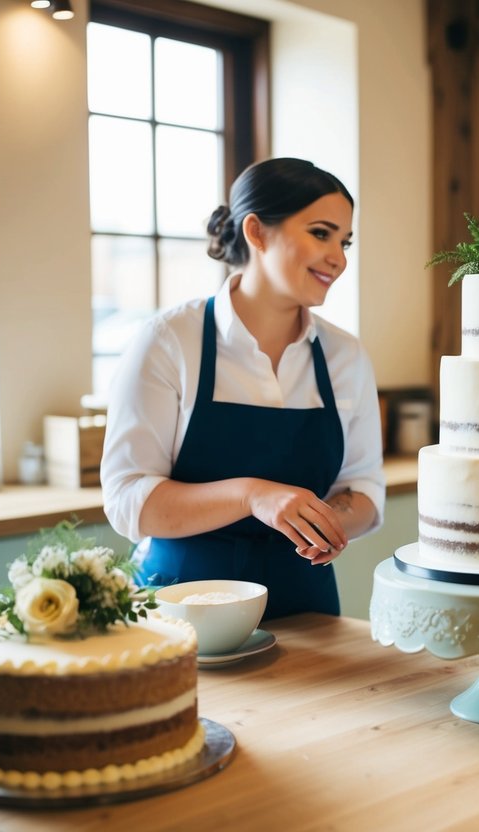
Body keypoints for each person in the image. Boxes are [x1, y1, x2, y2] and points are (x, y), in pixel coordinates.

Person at [101, 157, 385, 620]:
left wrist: (326, 523)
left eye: (345, 241)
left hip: (306, 612)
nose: (339, 258)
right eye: (321, 233)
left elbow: (365, 490)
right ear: (256, 232)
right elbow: (129, 501)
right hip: (181, 611)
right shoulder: (169, 341)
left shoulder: (345, 355)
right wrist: (253, 496)